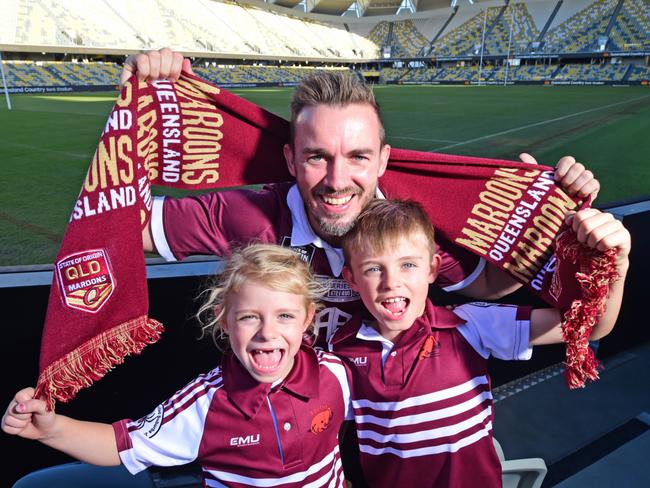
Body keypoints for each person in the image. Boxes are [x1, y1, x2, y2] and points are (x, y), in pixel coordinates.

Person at [120, 49, 601, 346]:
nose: (336, 179)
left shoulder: (409, 231)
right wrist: (134, 126)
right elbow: (122, 229)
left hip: (385, 427)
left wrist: (550, 213)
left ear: (383, 160)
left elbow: (489, 286)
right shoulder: (250, 215)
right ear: (289, 160)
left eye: (357, 157)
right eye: (316, 157)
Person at [330, 199, 630, 487]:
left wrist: (618, 263)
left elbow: (588, 328)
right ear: (352, 278)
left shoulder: (471, 325)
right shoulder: (340, 353)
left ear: (433, 269)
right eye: (372, 268)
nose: (391, 282)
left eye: (407, 264)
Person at [2, 245, 354, 487]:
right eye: (249, 317)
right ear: (224, 321)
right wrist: (51, 429)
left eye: (285, 316)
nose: (267, 332)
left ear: (307, 319)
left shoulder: (336, 373)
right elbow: (121, 445)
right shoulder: (205, 403)